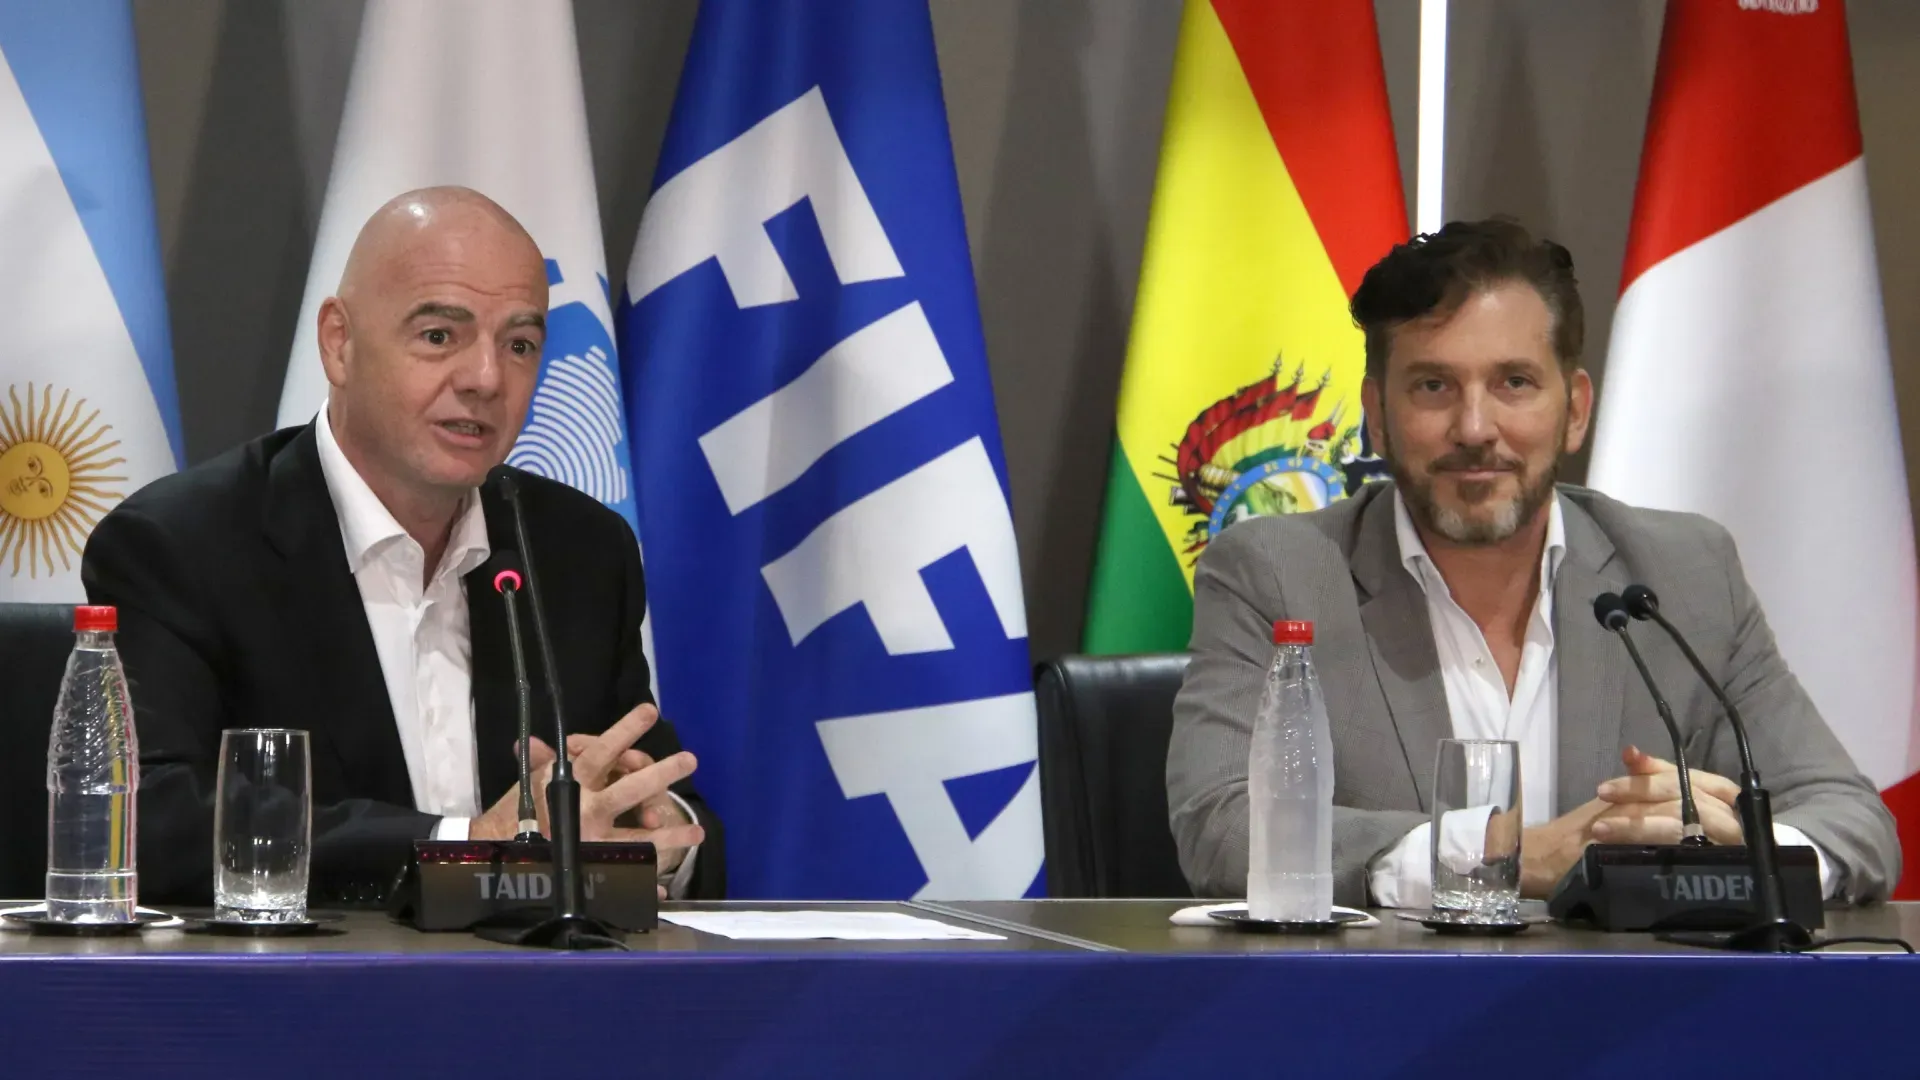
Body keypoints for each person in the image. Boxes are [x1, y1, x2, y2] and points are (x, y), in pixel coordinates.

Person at [1167, 218, 1898, 908]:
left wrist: (1741, 851)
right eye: (1433, 386)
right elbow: (1224, 828)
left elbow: (1852, 823)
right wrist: (1510, 853)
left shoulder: (1685, 573)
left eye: (1514, 382)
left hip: (1631, 1020)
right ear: (1377, 414)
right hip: (1380, 1021)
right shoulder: (1279, 573)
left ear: (1575, 409)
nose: (1476, 428)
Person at [83, 187, 723, 905]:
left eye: (520, 344)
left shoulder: (578, 552)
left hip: (538, 1000)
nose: (486, 379)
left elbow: (650, 789)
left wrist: (659, 838)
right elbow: (153, 826)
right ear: (339, 343)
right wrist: (467, 848)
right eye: (439, 336)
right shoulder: (182, 546)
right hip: (302, 1001)